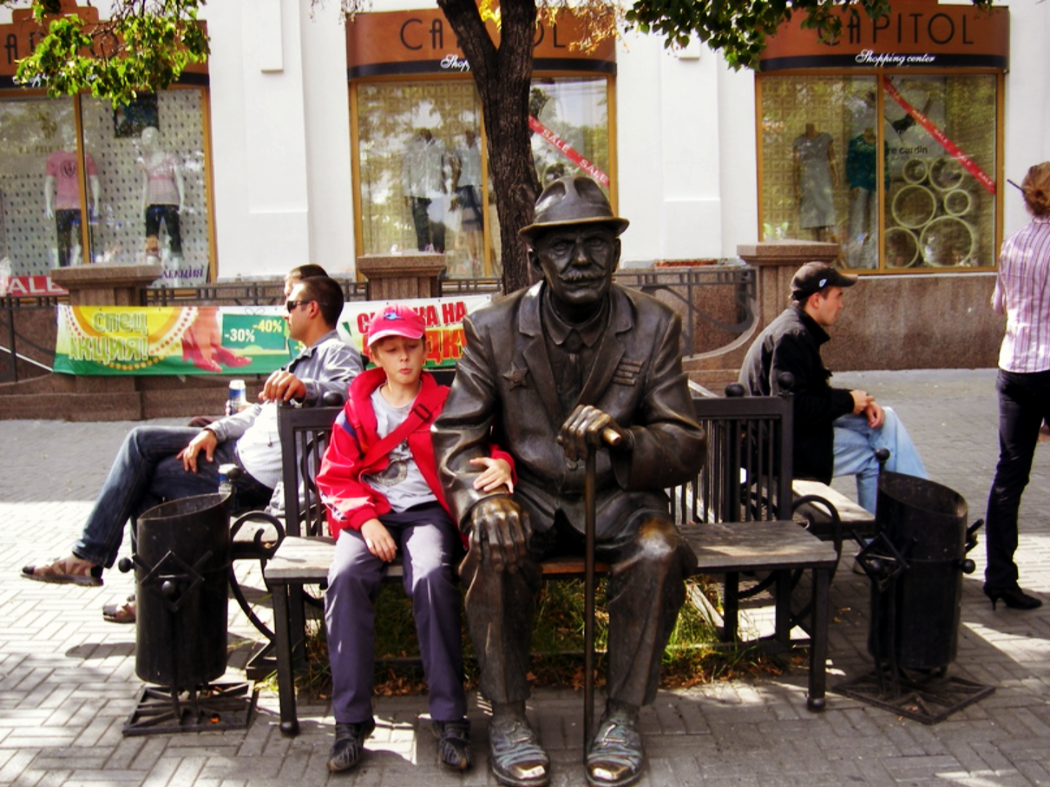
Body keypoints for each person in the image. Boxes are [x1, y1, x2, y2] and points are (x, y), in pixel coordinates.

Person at [432, 176, 705, 787]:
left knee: (659, 548)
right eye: (562, 246)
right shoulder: (493, 328)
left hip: (616, 499)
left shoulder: (654, 325)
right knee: (492, 546)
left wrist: (623, 439)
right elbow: (456, 436)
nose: (580, 260)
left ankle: (622, 716)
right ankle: (506, 716)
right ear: (535, 257)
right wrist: (483, 502)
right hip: (526, 495)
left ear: (615, 250)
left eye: (595, 244)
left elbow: (685, 442)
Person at [22, 276, 362, 590]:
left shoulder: (337, 352)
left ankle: (124, 578)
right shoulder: (302, 357)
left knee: (145, 477)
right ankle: (120, 575)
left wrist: (307, 388)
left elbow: (352, 393)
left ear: (312, 308)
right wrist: (214, 430)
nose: (284, 313)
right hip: (234, 451)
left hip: (248, 477)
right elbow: (259, 412)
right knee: (140, 444)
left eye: (291, 305)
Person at [314, 304, 514, 774]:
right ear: (375, 356)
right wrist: (365, 521)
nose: (403, 358)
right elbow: (335, 476)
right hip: (370, 516)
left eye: (410, 347)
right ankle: (350, 722)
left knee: (430, 576)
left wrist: (503, 461)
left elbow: (488, 440)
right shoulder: (357, 408)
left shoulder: (447, 401)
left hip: (428, 514)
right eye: (391, 349)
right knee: (343, 578)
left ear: (426, 349)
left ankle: (450, 717)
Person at [739, 261, 927, 514]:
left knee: (886, 418)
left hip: (777, 435)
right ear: (816, 300)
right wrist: (848, 402)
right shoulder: (793, 337)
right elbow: (793, 407)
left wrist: (857, 400)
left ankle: (922, 506)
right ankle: (881, 537)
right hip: (776, 450)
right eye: (838, 297)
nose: (841, 305)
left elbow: (804, 394)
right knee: (874, 456)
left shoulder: (795, 327)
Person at [982, 161, 1050, 611]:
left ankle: (1000, 577)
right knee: (1010, 474)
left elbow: (998, 305)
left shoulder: (1013, 243)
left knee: (1010, 474)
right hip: (1047, 364)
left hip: (1013, 367)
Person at [44, 131, 101, 268]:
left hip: (82, 205)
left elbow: (94, 180)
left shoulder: (85, 156)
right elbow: (49, 182)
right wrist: (48, 205)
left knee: (86, 242)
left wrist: (96, 204)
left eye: (71, 135)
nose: (68, 137)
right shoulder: (54, 158)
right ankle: (65, 273)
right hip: (62, 206)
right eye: (65, 134)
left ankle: (87, 270)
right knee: (63, 243)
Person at [138, 126, 185, 281]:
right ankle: (151, 280)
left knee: (174, 237)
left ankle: (177, 281)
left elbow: (178, 178)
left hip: (171, 202)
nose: (145, 141)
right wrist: (142, 207)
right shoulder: (145, 162)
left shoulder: (170, 158)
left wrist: (183, 201)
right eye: (144, 137)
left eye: (148, 137)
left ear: (155, 138)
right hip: (152, 203)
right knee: (151, 239)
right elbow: (145, 185)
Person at [402, 128, 448, 253]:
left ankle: (440, 268)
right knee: (422, 232)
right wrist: (407, 193)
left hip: (436, 193)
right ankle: (425, 267)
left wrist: (449, 192)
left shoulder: (439, 145)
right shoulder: (411, 146)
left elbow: (446, 169)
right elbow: (406, 170)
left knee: (438, 231)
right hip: (418, 193)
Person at [792, 123, 837, 242]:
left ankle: (824, 242)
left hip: (823, 177)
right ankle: (816, 243)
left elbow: (832, 158)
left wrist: (836, 176)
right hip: (808, 179)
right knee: (812, 213)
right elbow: (796, 165)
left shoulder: (826, 138)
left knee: (825, 209)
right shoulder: (799, 141)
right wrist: (796, 186)